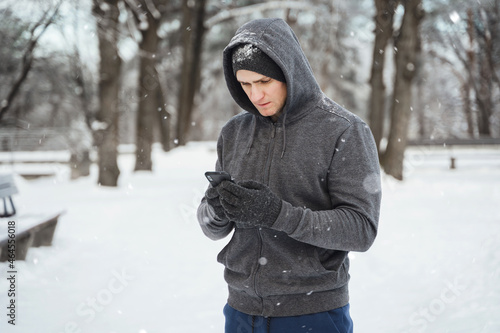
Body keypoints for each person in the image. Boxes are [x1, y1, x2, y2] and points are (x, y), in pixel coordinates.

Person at [197, 17, 381, 333]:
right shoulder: (234, 133)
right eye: (245, 84)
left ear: (288, 71)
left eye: (264, 82)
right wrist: (215, 208)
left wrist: (278, 215)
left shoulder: (343, 131)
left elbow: (361, 229)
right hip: (241, 312)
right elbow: (211, 228)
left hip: (312, 313)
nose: (255, 95)